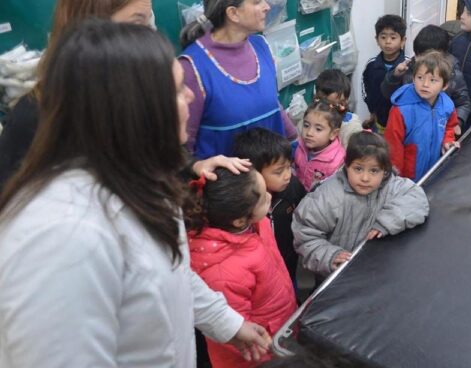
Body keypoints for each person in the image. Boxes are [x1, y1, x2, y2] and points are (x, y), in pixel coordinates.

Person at [0, 20, 270, 366]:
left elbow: (169, 271)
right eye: (175, 90)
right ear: (133, 109)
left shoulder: (141, 184)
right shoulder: (63, 236)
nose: (189, 95)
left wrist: (226, 322)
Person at [0, 0, 154, 189]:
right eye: (137, 24)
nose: (150, 35)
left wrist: (192, 166)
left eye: (148, 23)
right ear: (90, 29)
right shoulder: (36, 116)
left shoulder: (132, 91)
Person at [179, 0, 295, 159]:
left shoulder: (261, 46)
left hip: (273, 181)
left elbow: (272, 107)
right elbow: (183, 150)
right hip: (229, 187)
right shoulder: (192, 67)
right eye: (258, 1)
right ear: (233, 13)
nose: (267, 6)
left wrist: (295, 142)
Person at [187, 168, 297, 367]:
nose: (270, 196)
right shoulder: (222, 273)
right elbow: (237, 336)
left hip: (280, 329)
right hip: (259, 353)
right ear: (239, 220)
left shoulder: (256, 224)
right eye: (263, 198)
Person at [292, 131, 429, 276]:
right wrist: (329, 256)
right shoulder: (326, 197)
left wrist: (387, 221)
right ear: (346, 166)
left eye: (374, 170)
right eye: (358, 169)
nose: (365, 178)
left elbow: (416, 198)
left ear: (385, 171)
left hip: (376, 270)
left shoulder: (390, 185)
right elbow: (305, 235)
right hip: (335, 277)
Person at [233, 127, 307, 284]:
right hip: (260, 272)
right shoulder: (244, 205)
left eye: (289, 167)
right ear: (253, 172)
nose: (288, 175)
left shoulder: (293, 187)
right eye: (279, 172)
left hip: (288, 259)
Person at [384, 51, 460, 180]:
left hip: (434, 170)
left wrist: (447, 141)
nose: (425, 84)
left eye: (433, 80)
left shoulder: (447, 105)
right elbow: (393, 146)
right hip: (407, 177)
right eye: (420, 78)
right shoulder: (402, 109)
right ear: (413, 78)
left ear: (445, 85)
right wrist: (396, 178)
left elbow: (450, 126)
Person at [381, 24, 471, 132]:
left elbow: (464, 103)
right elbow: (387, 95)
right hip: (411, 130)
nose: (420, 60)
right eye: (418, 54)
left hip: (438, 130)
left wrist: (457, 122)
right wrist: (394, 76)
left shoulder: (453, 74)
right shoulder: (409, 67)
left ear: (442, 55)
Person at [362, 14, 407, 131]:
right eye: (383, 37)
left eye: (393, 38)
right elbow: (365, 86)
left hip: (402, 121)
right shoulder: (371, 64)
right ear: (376, 40)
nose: (387, 42)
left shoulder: (408, 65)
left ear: (403, 40)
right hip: (379, 120)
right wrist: (372, 109)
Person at [294, 99, 346, 191]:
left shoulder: (337, 161)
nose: (309, 133)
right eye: (306, 125)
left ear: (333, 134)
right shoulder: (299, 145)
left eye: (318, 129)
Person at [314, 69, 363, 147]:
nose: (328, 110)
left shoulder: (351, 127)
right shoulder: (312, 118)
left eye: (335, 105)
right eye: (323, 105)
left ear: (345, 102)